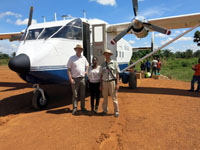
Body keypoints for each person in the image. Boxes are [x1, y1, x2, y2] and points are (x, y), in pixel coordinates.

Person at [67, 44, 89, 115]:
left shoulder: (84, 58)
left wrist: (87, 71)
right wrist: (70, 78)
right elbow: (69, 69)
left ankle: (82, 107)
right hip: (75, 79)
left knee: (83, 94)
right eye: (78, 49)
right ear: (76, 50)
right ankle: (75, 108)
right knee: (75, 95)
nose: (79, 50)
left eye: (80, 49)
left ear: (82, 50)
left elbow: (87, 65)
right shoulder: (72, 58)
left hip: (82, 79)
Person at [100, 49, 120, 117]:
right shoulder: (103, 64)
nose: (107, 55)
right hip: (104, 82)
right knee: (104, 97)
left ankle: (116, 111)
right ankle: (105, 110)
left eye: (108, 54)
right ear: (104, 55)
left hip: (112, 82)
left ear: (110, 55)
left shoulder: (114, 63)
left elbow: (117, 74)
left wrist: (117, 83)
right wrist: (101, 84)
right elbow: (101, 75)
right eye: (106, 54)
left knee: (114, 97)